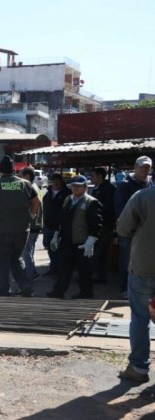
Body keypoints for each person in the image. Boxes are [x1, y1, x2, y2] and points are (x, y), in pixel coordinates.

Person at [0, 155, 40, 297]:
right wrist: (31, 216)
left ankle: (4, 291)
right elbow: (36, 202)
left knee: (1, 262)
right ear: (14, 170)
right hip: (22, 230)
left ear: (0, 170)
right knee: (16, 258)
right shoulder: (25, 184)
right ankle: (25, 285)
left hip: (1, 230)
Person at [117, 185, 155, 383]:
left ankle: (139, 367)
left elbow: (123, 228)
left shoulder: (142, 196)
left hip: (144, 267)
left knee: (141, 318)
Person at [46, 175, 103, 299]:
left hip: (82, 242)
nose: (75, 188)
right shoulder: (68, 200)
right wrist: (56, 235)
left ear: (85, 187)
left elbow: (97, 224)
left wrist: (91, 241)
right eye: (73, 186)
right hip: (67, 240)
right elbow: (61, 219)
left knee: (84, 270)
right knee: (64, 268)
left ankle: (86, 293)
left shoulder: (91, 202)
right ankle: (58, 291)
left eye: (79, 186)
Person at [114, 156, 152, 297]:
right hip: (129, 231)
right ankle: (124, 288)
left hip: (146, 233)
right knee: (126, 260)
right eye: (141, 167)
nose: (144, 170)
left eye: (147, 167)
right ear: (135, 167)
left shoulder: (151, 185)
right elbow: (119, 209)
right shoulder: (125, 185)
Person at [89, 167, 116, 284]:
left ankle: (100, 276)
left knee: (100, 252)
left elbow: (108, 207)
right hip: (95, 224)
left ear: (100, 176)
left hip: (104, 225)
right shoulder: (96, 189)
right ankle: (94, 274)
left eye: (93, 175)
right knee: (95, 251)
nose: (91, 178)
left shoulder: (109, 189)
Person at [42, 173, 71, 277]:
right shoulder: (48, 192)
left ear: (61, 181)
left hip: (60, 227)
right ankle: (53, 268)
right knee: (49, 247)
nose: (55, 183)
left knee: (58, 249)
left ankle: (60, 270)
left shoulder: (67, 194)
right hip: (48, 225)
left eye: (57, 181)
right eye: (53, 181)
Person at [19, 167, 43, 282]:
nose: (19, 178)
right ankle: (32, 272)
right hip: (36, 225)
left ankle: (28, 278)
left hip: (32, 225)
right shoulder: (36, 187)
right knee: (29, 251)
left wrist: (30, 217)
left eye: (21, 176)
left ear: (27, 177)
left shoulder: (29, 187)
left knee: (26, 253)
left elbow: (35, 204)